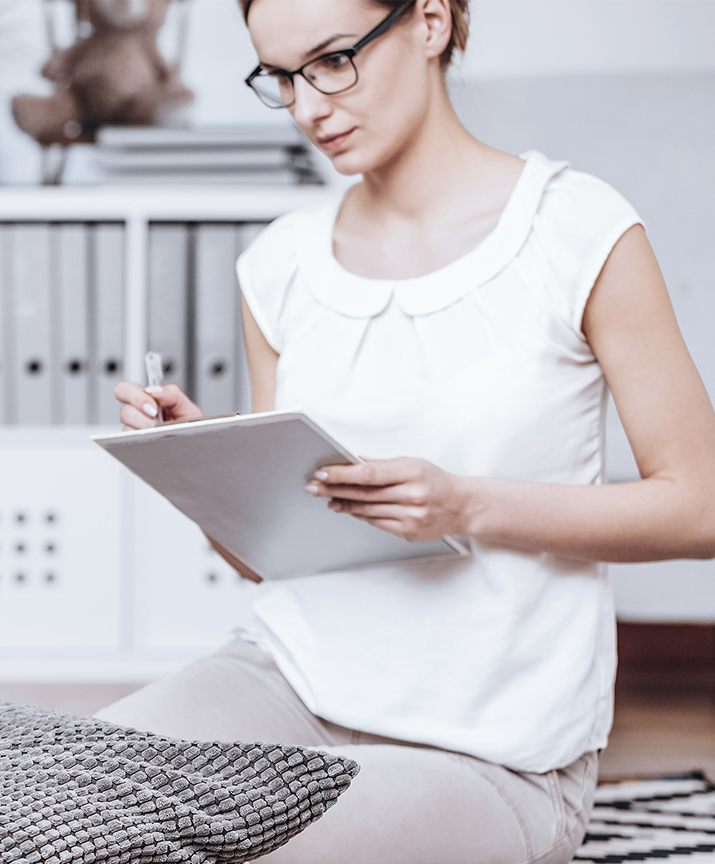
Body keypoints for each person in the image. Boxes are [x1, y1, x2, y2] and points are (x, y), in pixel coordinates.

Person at [106, 0, 715, 861]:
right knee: (51, 794)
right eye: (281, 77)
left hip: (491, 754)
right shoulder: (278, 263)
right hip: (288, 683)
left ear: (430, 21)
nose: (309, 105)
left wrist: (463, 505)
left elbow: (701, 509)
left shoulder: (577, 230)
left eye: (332, 59)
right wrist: (210, 465)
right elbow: (267, 558)